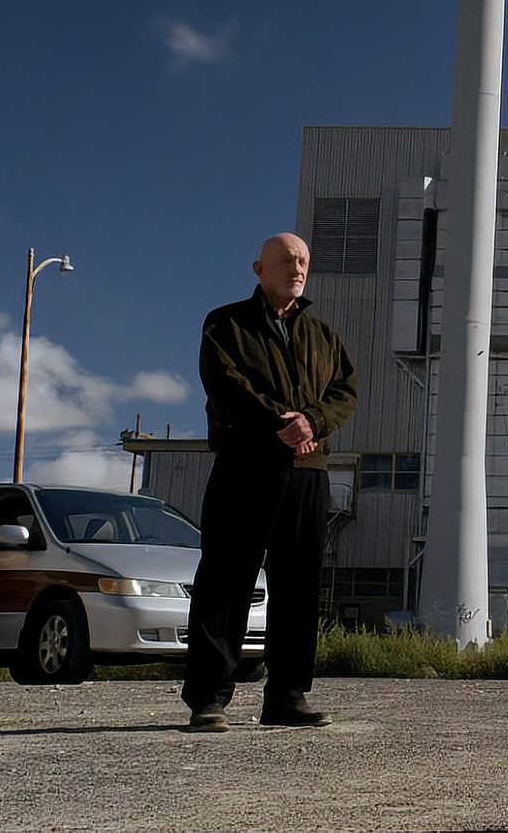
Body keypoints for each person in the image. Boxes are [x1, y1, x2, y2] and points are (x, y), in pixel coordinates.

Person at [182, 232, 357, 732]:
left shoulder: (323, 336)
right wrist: (280, 423)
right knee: (226, 580)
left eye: (303, 260)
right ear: (259, 268)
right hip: (246, 467)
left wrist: (313, 422)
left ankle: (287, 695)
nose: (296, 267)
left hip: (307, 472)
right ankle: (208, 699)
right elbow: (226, 383)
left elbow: (346, 388)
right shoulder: (226, 323)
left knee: (299, 586)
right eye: (285, 260)